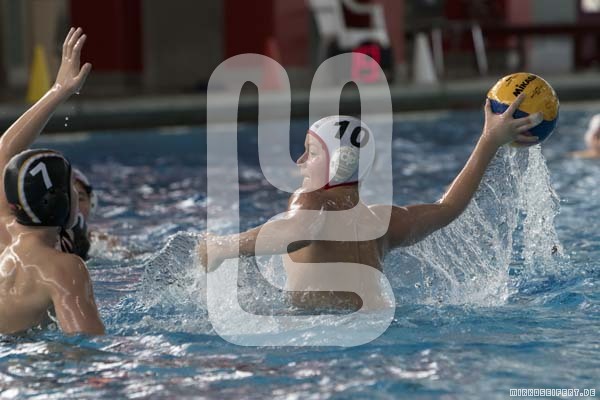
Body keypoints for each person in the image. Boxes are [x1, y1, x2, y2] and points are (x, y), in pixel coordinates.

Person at [197, 95, 543, 311]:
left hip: (324, 337)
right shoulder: (382, 222)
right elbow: (447, 208)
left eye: (311, 152)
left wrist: (221, 247)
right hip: (378, 323)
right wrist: (489, 140)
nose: (300, 161)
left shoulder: (311, 199)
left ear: (337, 164)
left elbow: (295, 232)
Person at [0, 28, 104, 334]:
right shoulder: (64, 269)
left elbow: (4, 150)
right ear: (62, 203)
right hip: (31, 358)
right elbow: (88, 346)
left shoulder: (4, 232)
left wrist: (59, 90)